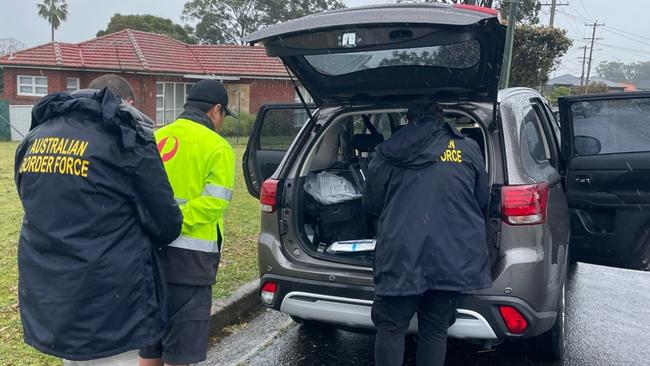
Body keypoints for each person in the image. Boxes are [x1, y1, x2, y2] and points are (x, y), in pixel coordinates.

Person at [14, 76, 183, 365]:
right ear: (126, 103)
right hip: (113, 303)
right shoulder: (124, 136)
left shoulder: (36, 136)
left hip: (55, 299)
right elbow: (166, 222)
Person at [363, 101, 491, 366]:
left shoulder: (388, 152)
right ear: (440, 117)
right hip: (450, 253)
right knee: (435, 329)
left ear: (409, 119)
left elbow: (371, 203)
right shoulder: (468, 147)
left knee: (391, 327)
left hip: (401, 251)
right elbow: (481, 199)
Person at [139, 79, 235, 366]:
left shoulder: (154, 137)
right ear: (216, 110)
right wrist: (174, 222)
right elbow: (214, 203)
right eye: (223, 116)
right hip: (191, 264)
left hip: (149, 257)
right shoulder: (218, 147)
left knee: (150, 347)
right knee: (179, 354)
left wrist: (158, 225)